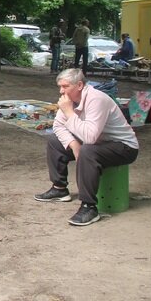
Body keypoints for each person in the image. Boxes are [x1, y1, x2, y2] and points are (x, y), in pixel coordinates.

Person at [35, 69, 139, 226]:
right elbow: (58, 126)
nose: (61, 91)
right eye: (60, 86)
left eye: (65, 86)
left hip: (124, 147)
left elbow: (90, 137)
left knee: (88, 150)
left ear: (79, 85)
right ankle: (59, 188)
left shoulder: (96, 99)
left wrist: (69, 112)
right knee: (55, 141)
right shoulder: (69, 100)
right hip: (98, 143)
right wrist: (74, 145)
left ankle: (89, 207)